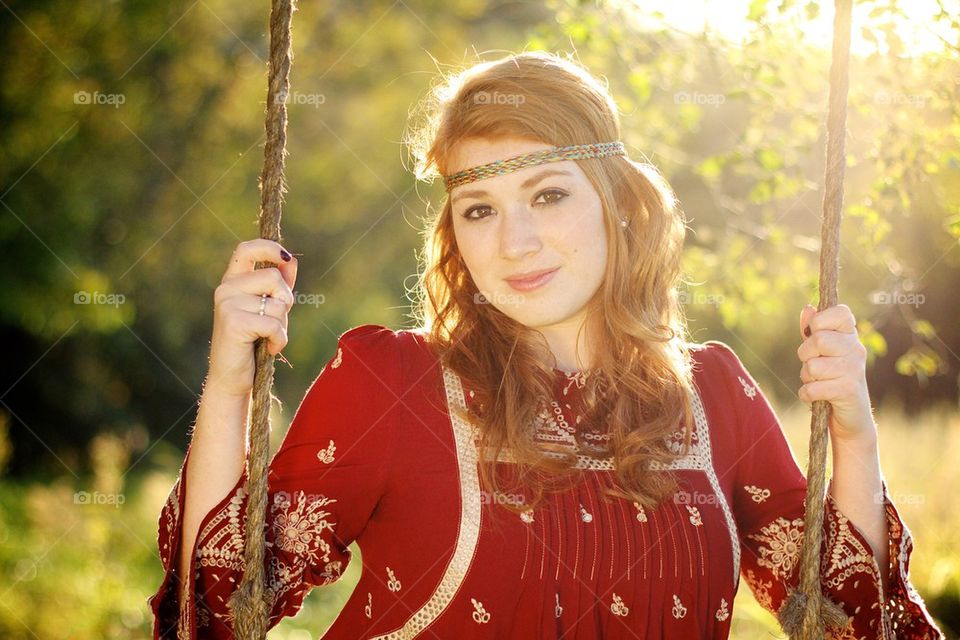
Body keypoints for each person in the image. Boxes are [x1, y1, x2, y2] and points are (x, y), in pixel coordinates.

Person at [148, 51, 943, 639]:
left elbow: (851, 620)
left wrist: (854, 433)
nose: (516, 242)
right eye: (480, 209)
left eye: (548, 194)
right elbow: (223, 598)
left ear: (618, 204)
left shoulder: (716, 397)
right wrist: (228, 386)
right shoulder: (392, 381)